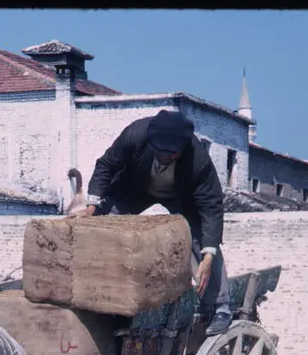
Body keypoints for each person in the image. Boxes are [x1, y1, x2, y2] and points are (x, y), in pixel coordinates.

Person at [70, 109, 233, 335]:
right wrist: (91, 208)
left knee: (202, 242)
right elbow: (106, 165)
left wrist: (208, 255)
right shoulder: (134, 135)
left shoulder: (198, 158)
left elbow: (211, 205)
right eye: (160, 152)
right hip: (134, 190)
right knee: (103, 228)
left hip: (181, 197)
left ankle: (220, 307)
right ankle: (103, 301)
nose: (165, 157)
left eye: (171, 154)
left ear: (182, 149)